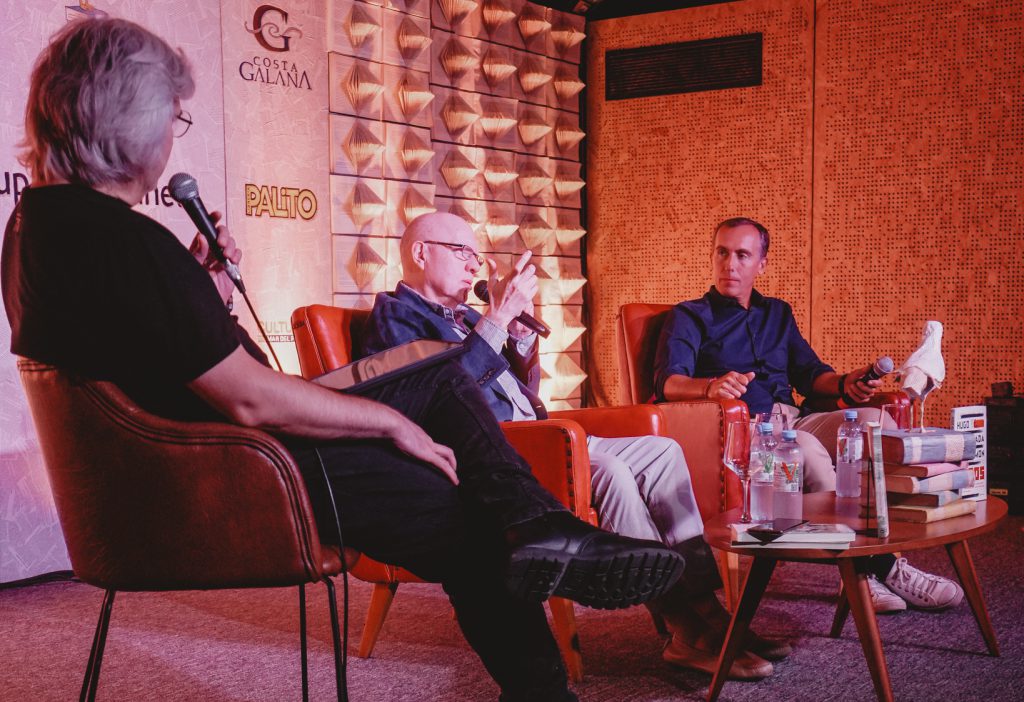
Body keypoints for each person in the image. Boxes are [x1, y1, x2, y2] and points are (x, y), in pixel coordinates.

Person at [1, 18, 686, 702]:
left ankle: (545, 534)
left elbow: (155, 365)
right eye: (174, 118)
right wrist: (387, 424)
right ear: (133, 121)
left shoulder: (39, 226)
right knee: (466, 512)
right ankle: (543, 600)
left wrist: (200, 293)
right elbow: (252, 400)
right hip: (234, 474)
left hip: (188, 464)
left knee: (437, 371)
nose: (169, 136)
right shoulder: (124, 241)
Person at [360, 211, 793, 679]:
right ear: (421, 253)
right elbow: (445, 393)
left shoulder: (465, 316)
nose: (473, 265)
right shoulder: (395, 317)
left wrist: (521, 343)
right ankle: (680, 624)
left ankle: (709, 610)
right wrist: (499, 316)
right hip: (494, 454)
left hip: (536, 430)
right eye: (462, 252)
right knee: (611, 471)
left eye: (475, 254)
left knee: (662, 451)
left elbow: (518, 388)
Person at [653, 217, 965, 613]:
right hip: (746, 431)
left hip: (794, 418)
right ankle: (876, 570)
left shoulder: (778, 314)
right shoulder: (689, 316)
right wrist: (710, 387)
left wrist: (846, 382)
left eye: (742, 255)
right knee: (804, 451)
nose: (730, 264)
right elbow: (668, 382)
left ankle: (882, 559)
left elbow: (811, 375)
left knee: (878, 426)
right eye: (722, 252)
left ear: (761, 264)